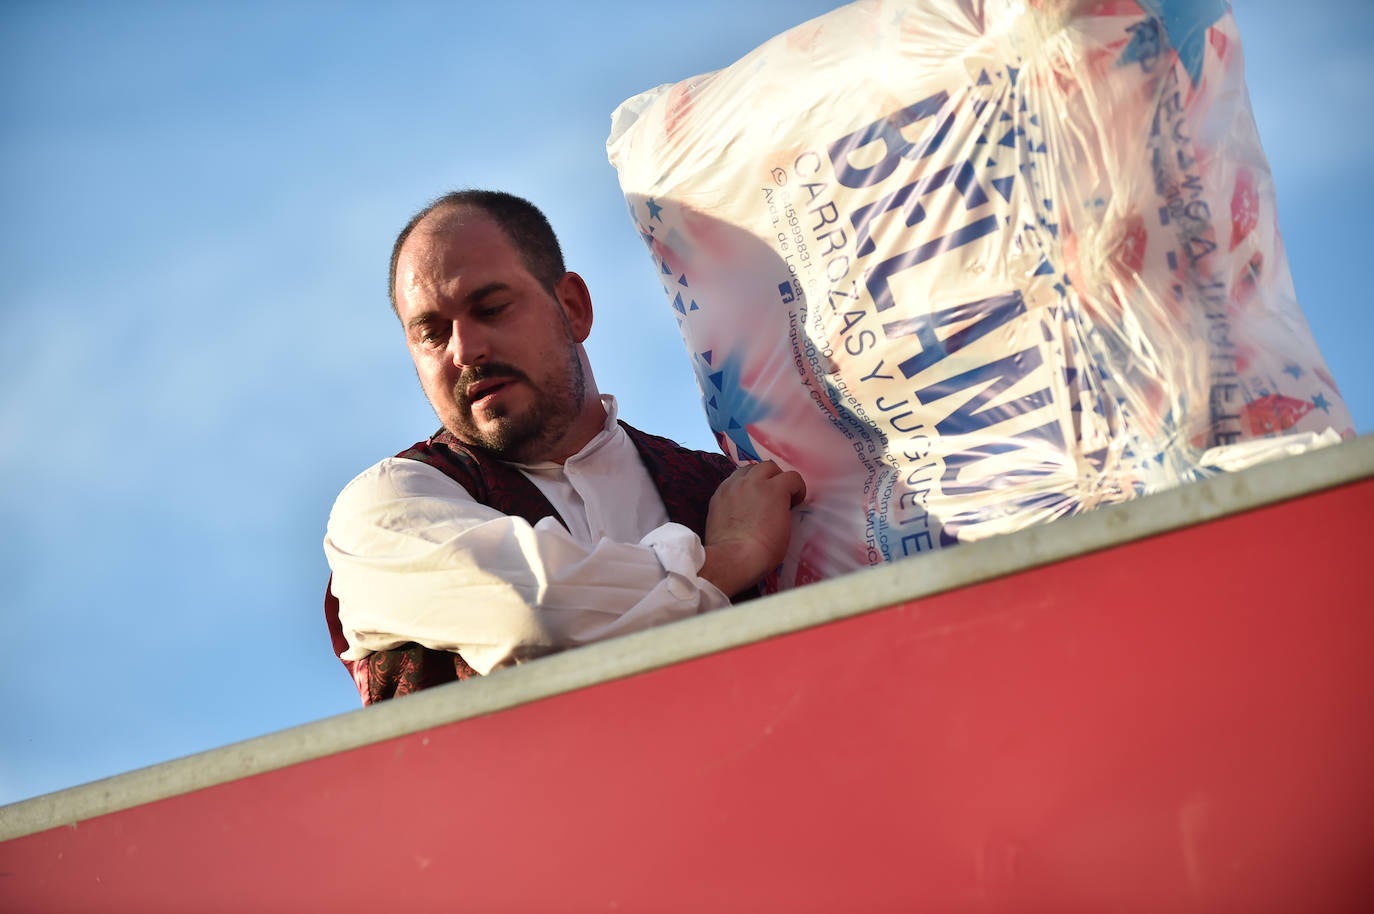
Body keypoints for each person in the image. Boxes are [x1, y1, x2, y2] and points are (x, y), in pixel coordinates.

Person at [323, 190, 806, 704]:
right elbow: (534, 614)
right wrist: (731, 558)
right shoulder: (384, 510)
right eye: (432, 334)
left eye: (490, 308)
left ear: (572, 307)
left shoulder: (726, 488)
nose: (465, 350)